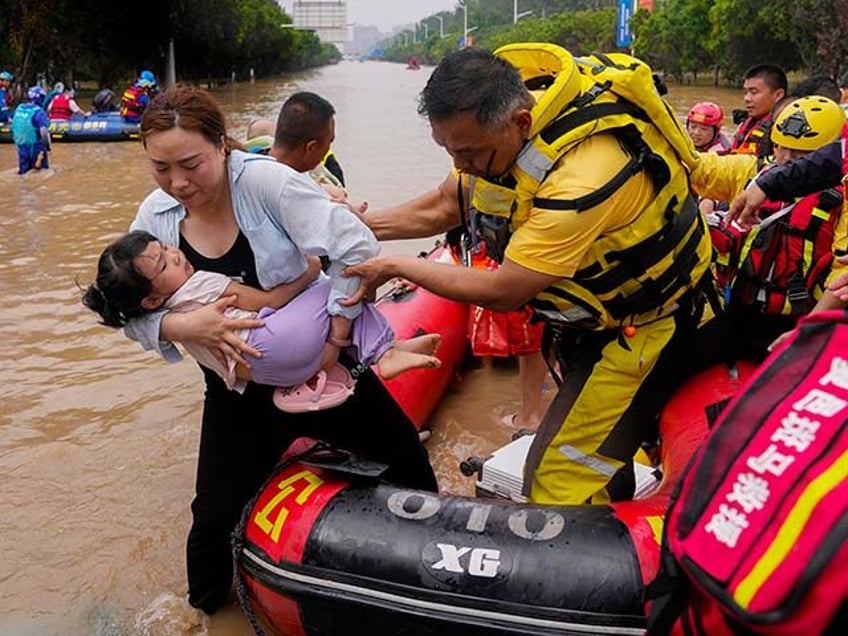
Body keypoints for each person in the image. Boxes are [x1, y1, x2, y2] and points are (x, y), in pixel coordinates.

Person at [344, 45, 726, 506]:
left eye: (467, 151)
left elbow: (507, 289)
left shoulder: (584, 178)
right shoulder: (499, 140)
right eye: (448, 150)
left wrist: (394, 264)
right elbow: (448, 202)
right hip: (588, 325)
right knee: (601, 457)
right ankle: (616, 500)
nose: (460, 163)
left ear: (521, 123)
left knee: (555, 476)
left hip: (645, 330)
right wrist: (359, 226)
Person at [116, 84, 437, 614]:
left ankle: (428, 594)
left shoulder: (269, 185)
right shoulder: (155, 217)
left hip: (325, 372)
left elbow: (355, 247)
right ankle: (206, 617)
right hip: (237, 391)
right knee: (213, 517)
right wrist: (186, 326)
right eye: (160, 168)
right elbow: (128, 309)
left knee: (407, 462)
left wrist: (337, 336)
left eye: (190, 163)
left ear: (222, 145)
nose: (177, 182)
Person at [84, 230, 441, 406]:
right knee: (343, 275)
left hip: (264, 375)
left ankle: (389, 347)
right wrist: (311, 268)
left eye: (166, 249)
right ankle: (386, 353)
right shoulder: (204, 286)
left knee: (330, 297)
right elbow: (271, 299)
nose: (176, 256)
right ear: (151, 299)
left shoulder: (165, 311)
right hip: (275, 343)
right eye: (164, 264)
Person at [691, 96, 846, 359]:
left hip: (799, 319)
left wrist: (807, 330)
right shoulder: (755, 172)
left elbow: (841, 275)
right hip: (740, 311)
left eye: (800, 155)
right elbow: (700, 168)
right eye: (779, 147)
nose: (784, 160)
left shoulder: (840, 198)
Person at [270, 91, 346, 187]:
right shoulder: (300, 191)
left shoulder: (250, 168)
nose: (328, 150)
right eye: (329, 141)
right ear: (311, 148)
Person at [729, 64, 787, 158]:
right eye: (745, 92)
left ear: (778, 95)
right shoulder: (747, 121)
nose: (746, 98)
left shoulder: (784, 131)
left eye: (754, 92)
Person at [11, 86, 51, 175]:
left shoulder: (19, 108)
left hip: (21, 146)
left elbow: (14, 126)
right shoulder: (39, 112)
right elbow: (44, 132)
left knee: (23, 172)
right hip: (36, 147)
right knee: (41, 173)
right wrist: (47, 146)